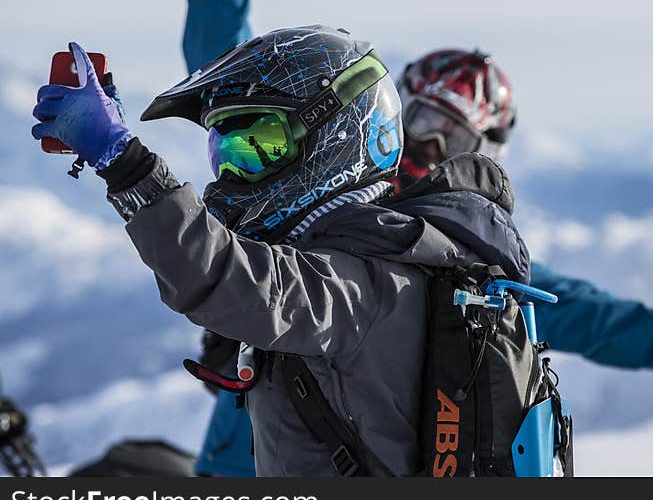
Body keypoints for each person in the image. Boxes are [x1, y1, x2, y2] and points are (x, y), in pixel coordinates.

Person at [178, 0, 653, 476]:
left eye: (454, 137)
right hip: (243, 455)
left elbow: (592, 316)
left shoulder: (461, 257)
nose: (428, 146)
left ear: (482, 152)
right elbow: (237, 84)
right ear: (389, 113)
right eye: (422, 119)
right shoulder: (317, 180)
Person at [32, 27, 533, 476]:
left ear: (336, 138)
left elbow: (218, 275)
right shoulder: (367, 253)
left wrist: (122, 160)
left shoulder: (365, 280)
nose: (233, 172)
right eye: (225, 148)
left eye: (260, 143)